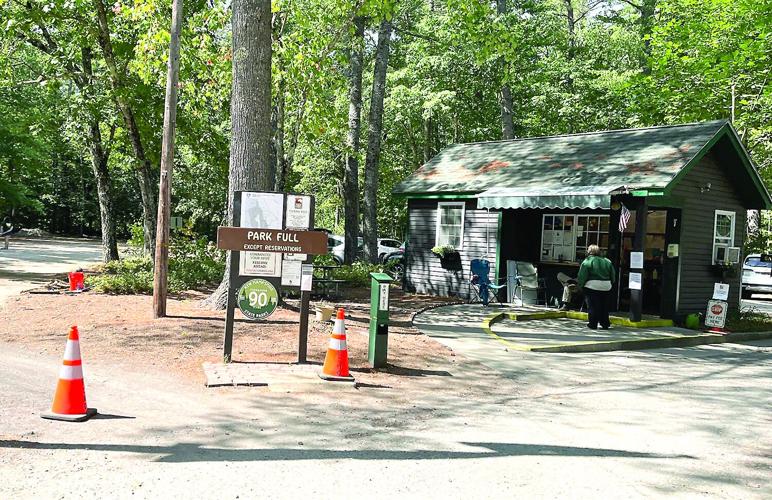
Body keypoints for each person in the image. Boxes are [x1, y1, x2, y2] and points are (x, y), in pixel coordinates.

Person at [577, 244, 615, 329]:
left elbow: (582, 276)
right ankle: (605, 323)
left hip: (592, 286)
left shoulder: (587, 261)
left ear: (589, 252)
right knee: (604, 306)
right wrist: (611, 283)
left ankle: (593, 324)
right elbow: (613, 275)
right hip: (606, 285)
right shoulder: (607, 261)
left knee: (593, 306)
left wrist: (580, 285)